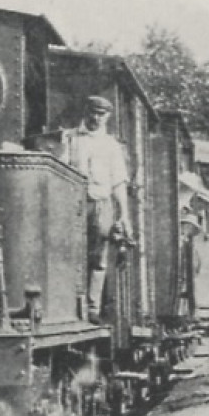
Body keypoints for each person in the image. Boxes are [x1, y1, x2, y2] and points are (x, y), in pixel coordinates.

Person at [62, 95, 132, 323]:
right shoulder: (70, 139)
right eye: (93, 112)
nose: (96, 117)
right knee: (71, 253)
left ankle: (92, 308)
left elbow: (118, 183)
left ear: (107, 117)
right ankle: (69, 306)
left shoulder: (111, 146)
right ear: (86, 111)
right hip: (75, 203)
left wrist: (124, 215)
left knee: (99, 257)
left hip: (101, 204)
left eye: (101, 114)